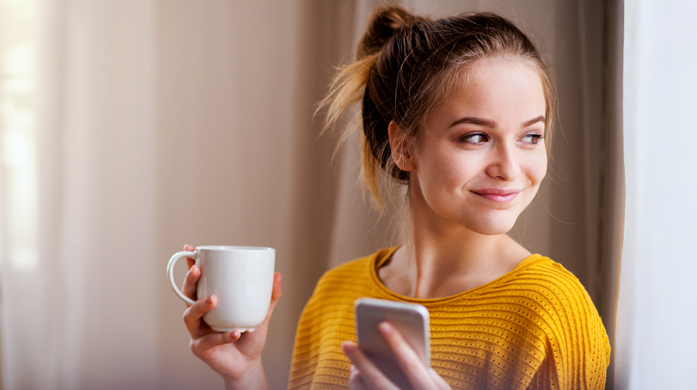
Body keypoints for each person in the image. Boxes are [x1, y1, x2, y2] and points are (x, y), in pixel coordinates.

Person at [177, 5, 610, 390]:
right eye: (476, 136)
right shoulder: (333, 296)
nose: (511, 168)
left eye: (531, 136)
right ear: (404, 146)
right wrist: (244, 374)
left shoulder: (552, 312)